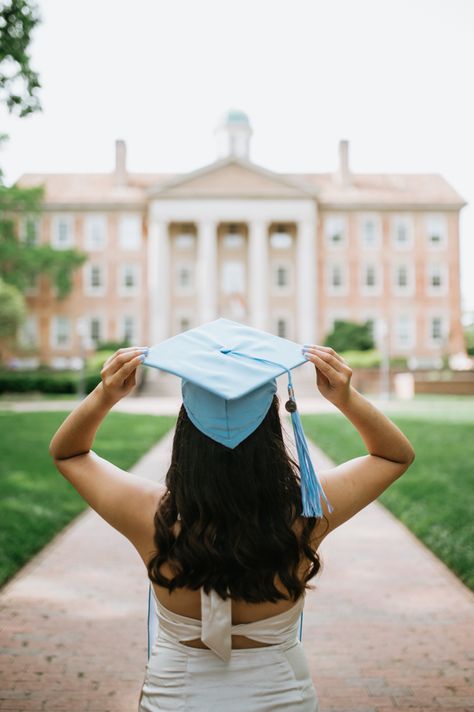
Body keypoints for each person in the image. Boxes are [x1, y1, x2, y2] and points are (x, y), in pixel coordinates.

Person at [49, 319, 416, 711]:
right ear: (272, 427)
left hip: (176, 698)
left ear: (184, 430)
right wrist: (346, 397)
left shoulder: (148, 513)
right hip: (282, 698)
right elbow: (393, 455)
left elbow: (69, 453)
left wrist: (105, 394)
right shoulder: (306, 510)